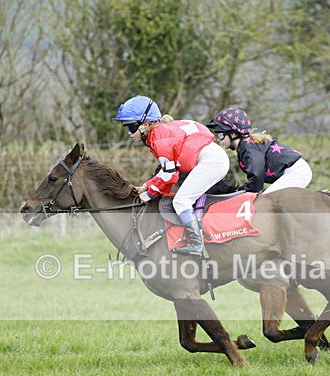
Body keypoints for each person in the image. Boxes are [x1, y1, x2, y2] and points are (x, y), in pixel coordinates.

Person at [112, 95, 230, 256]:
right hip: (213, 158)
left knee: (181, 201)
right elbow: (167, 169)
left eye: (131, 127)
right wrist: (147, 185)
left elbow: (170, 175)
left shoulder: (159, 139)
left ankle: (196, 243)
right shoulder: (161, 132)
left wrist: (150, 193)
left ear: (146, 124)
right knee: (183, 197)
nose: (129, 133)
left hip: (210, 162)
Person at [206, 107, 313, 194]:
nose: (219, 140)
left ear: (233, 134)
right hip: (295, 170)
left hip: (295, 172)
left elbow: (256, 181)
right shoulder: (247, 145)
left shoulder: (247, 148)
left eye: (220, 135)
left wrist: (239, 192)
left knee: (267, 200)